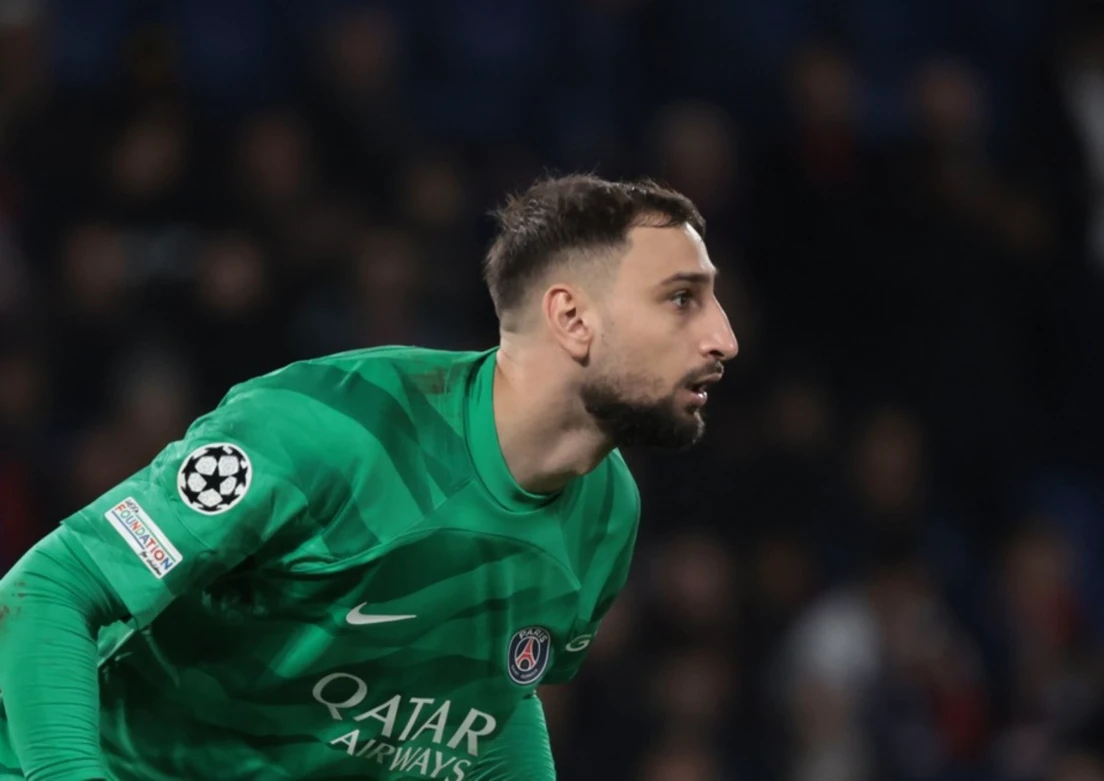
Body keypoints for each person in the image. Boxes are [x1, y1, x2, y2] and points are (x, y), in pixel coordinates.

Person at [0, 174, 739, 781]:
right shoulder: (326, 431)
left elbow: (488, 705)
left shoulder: (606, 512)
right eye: (681, 298)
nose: (723, 336)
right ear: (572, 318)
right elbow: (53, 589)